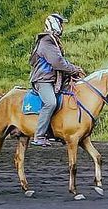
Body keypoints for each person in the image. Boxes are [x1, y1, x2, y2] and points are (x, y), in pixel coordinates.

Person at [29, 12, 86, 147]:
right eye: (61, 24)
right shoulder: (46, 41)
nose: (62, 27)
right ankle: (39, 136)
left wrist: (72, 70)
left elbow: (60, 62)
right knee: (51, 103)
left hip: (52, 79)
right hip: (43, 80)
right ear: (55, 24)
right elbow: (57, 62)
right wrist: (74, 69)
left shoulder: (52, 41)